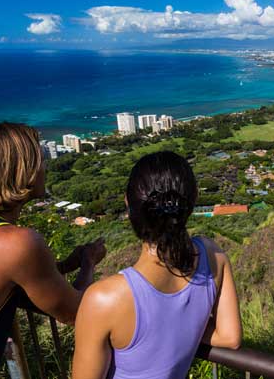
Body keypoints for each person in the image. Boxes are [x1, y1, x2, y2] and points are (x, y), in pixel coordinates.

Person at [0, 123, 106, 379]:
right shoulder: (15, 244)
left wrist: (64, 266)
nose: (44, 168)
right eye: (39, 160)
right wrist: (89, 262)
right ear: (22, 172)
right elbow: (78, 314)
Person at [73, 151, 241, 379]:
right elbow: (230, 337)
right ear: (192, 201)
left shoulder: (104, 299)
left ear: (128, 203)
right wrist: (182, 325)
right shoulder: (213, 257)